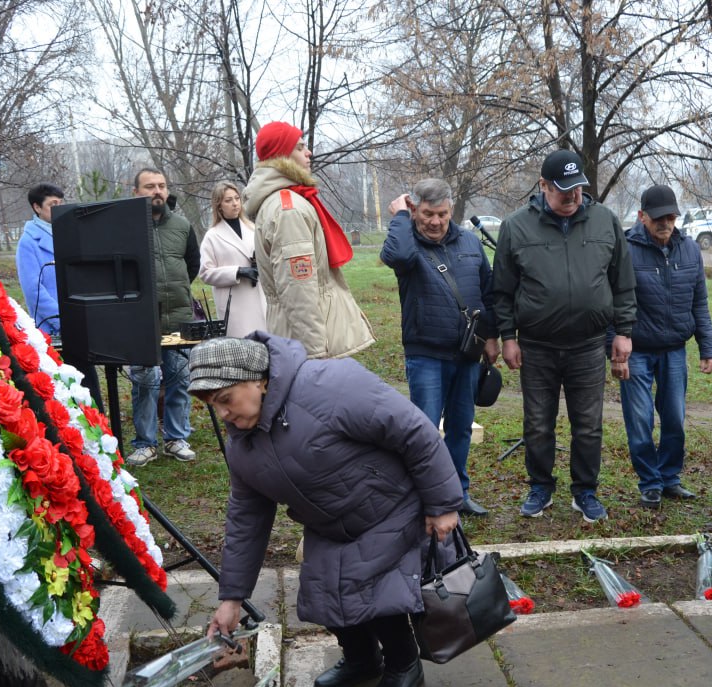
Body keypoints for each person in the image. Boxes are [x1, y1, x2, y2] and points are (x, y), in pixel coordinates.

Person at [196, 333, 462, 687]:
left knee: (372, 592)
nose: (223, 414)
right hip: (331, 525)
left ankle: (404, 664)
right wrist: (231, 597)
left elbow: (414, 431)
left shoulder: (329, 385)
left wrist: (442, 503)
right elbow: (246, 518)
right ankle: (362, 659)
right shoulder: (243, 443)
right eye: (213, 406)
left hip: (391, 506)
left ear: (258, 379)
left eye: (225, 400)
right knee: (323, 595)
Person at [491, 149, 637, 523]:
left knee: (588, 425)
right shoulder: (516, 226)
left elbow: (622, 284)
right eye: (562, 189)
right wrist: (508, 336)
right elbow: (502, 289)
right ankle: (541, 487)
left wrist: (624, 332)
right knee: (538, 423)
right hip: (537, 346)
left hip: (588, 345)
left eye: (577, 188)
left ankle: (585, 491)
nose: (571, 196)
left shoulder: (606, 222)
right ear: (543, 186)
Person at [380, 178, 499, 517]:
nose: (435, 221)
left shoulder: (470, 243)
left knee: (461, 426)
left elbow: (487, 292)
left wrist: (491, 337)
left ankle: (457, 492)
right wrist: (400, 217)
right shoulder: (407, 243)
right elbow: (397, 256)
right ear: (415, 209)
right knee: (424, 431)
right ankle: (424, 497)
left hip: (468, 354)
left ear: (451, 211)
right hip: (426, 353)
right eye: (428, 214)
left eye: (442, 214)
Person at [618, 185, 712, 508]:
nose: (665, 223)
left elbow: (700, 301)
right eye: (658, 218)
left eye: (671, 217)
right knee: (640, 419)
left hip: (675, 348)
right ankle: (649, 482)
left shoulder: (690, 249)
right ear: (641, 217)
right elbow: (613, 302)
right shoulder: (626, 250)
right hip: (637, 350)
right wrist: (615, 345)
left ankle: (670, 477)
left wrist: (707, 347)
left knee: (674, 416)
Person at [242, 121, 374, 359]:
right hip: (308, 346)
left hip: (301, 339)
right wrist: (315, 355)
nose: (309, 152)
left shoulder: (286, 202)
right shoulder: (288, 210)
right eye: (300, 147)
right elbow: (297, 290)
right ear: (281, 156)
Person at [125, 167, 200, 467]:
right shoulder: (124, 227)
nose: (157, 191)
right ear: (136, 192)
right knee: (145, 380)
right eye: (149, 186)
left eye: (162, 186)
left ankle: (176, 438)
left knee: (179, 378)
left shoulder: (182, 225)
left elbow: (192, 265)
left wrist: (177, 290)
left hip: (179, 315)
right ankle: (145, 443)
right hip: (141, 319)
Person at [15, 182, 102, 405]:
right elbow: (34, 290)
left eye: (61, 203)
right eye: (53, 204)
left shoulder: (68, 234)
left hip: (79, 324)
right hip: (53, 328)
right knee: (63, 390)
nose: (59, 208)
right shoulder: (28, 242)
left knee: (88, 384)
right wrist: (63, 321)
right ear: (37, 207)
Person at [198, 181, 268, 338]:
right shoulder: (213, 236)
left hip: (258, 296)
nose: (235, 204)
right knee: (240, 350)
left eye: (237, 198)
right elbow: (205, 273)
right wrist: (238, 272)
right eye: (228, 200)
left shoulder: (253, 228)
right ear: (219, 205)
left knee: (264, 345)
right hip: (234, 302)